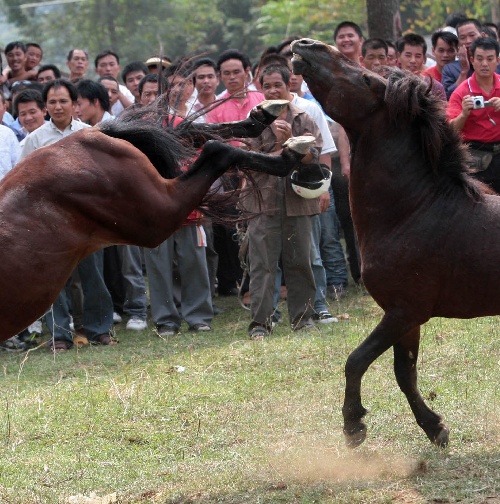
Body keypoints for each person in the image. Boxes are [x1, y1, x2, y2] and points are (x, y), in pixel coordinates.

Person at [20, 79, 115, 351]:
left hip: (87, 219)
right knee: (55, 280)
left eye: (63, 101)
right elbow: (24, 180)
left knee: (94, 275)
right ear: (45, 106)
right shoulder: (35, 140)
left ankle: (100, 330)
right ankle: (59, 334)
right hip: (50, 222)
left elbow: (104, 175)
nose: (58, 106)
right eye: (52, 102)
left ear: (75, 104)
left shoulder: (90, 135)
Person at [242, 64, 326, 338]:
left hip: (298, 200)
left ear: (289, 84)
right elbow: (250, 161)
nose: (273, 90)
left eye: (278, 84)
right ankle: (260, 324)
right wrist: (278, 146)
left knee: (300, 262)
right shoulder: (254, 121)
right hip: (263, 202)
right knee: (262, 265)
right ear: (261, 88)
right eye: (267, 86)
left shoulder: (304, 118)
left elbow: (314, 157)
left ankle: (303, 319)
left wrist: (292, 141)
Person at [144, 64, 213, 337]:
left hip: (189, 206)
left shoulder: (191, 123)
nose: (178, 91)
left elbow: (200, 164)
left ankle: (198, 316)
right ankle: (166, 320)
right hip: (155, 210)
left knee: (194, 263)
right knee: (158, 267)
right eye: (171, 86)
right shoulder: (143, 126)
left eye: (183, 85)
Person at [206, 49, 265, 297]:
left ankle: (267, 280)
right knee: (236, 229)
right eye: (226, 73)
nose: (232, 77)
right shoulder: (215, 109)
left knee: (263, 225)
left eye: (236, 72)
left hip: (263, 171)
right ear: (220, 77)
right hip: (231, 175)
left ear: (247, 72)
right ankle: (243, 282)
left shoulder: (261, 100)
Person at [447, 36, 500, 193]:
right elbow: (450, 130)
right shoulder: (461, 92)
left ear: (497, 60)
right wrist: (463, 115)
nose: (484, 64)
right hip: (476, 158)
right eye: (480, 58)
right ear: (472, 60)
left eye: (490, 59)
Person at [332, 21, 363, 286]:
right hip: (340, 159)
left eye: (350, 35)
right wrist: (345, 161)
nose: (346, 40)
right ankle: (358, 272)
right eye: (341, 37)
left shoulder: (367, 73)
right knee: (348, 217)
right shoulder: (331, 73)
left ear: (360, 40)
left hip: (372, 158)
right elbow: (342, 126)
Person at [442, 19, 500, 99]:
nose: (468, 41)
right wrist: (464, 71)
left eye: (472, 35)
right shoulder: (450, 69)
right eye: (462, 38)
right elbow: (449, 98)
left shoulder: (496, 64)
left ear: (482, 35)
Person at [396, 33, 447, 101]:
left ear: (424, 59)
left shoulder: (435, 87)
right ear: (399, 57)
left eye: (418, 56)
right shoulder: (390, 84)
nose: (413, 60)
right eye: (408, 55)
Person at [94, 50, 134, 115]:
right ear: (96, 70)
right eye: (103, 65)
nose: (108, 68)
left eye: (111, 64)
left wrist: (118, 93)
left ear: (119, 68)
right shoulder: (91, 91)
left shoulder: (126, 92)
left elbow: (135, 112)